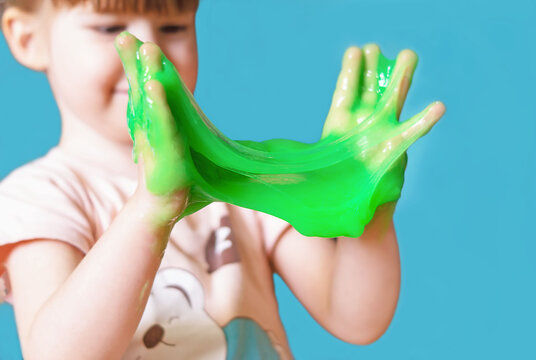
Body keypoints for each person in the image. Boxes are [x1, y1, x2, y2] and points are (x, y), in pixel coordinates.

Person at [0, 0, 445, 358]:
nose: (149, 51)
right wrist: (153, 208)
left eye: (173, 27)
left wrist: (364, 199)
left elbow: (355, 317)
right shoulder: (40, 199)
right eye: (110, 27)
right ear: (28, 37)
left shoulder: (238, 180)